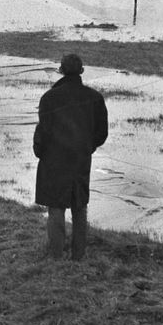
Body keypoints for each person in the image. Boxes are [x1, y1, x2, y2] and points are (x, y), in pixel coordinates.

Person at [33, 53, 108, 260]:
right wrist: (86, 148)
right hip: (80, 159)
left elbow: (43, 132)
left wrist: (40, 151)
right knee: (79, 206)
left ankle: (56, 255)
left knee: (56, 207)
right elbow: (102, 133)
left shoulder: (49, 98)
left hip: (53, 160)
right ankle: (78, 255)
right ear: (82, 71)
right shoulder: (94, 98)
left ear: (61, 70)